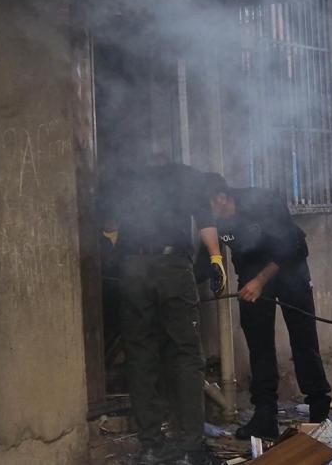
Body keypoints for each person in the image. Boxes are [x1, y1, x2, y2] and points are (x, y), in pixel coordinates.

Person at [101, 160, 227, 465]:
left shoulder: (126, 174)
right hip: (172, 268)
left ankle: (151, 446)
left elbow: (109, 224)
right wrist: (215, 257)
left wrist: (119, 248)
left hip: (133, 269)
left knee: (140, 355)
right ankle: (190, 447)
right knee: (185, 354)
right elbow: (206, 220)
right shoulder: (187, 175)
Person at [204, 174, 332, 440]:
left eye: (209, 207)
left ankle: (319, 415)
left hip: (289, 269)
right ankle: (265, 416)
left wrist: (261, 281)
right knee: (258, 344)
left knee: (304, 339)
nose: (207, 215)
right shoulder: (218, 221)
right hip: (251, 274)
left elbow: (291, 247)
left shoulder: (262, 201)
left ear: (221, 198)